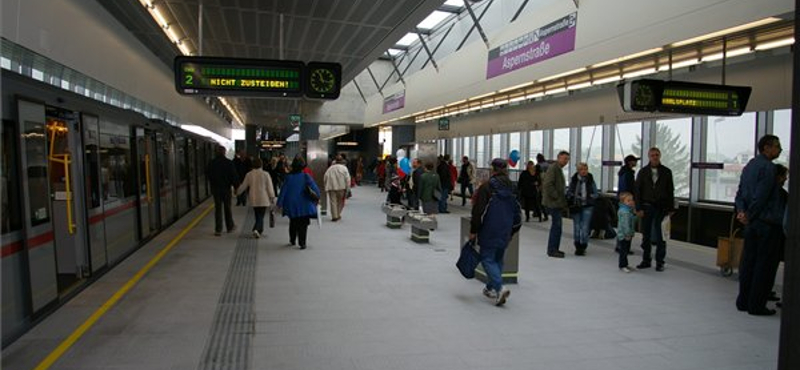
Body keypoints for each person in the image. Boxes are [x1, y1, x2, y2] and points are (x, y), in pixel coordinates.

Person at [734, 135, 783, 315]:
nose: (780, 150)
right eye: (777, 146)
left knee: (748, 262)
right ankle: (756, 305)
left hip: (751, 224)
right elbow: (761, 196)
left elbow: (740, 192)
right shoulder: (769, 168)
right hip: (766, 222)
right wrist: (750, 214)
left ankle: (743, 300)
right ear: (767, 148)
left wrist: (742, 212)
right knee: (765, 265)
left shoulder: (749, 166)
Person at [470, 158, 522, 306]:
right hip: (506, 229)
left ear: (492, 169)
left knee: (487, 258)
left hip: (489, 228)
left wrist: (474, 230)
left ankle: (499, 288)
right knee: (498, 258)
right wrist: (513, 230)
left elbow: (478, 211)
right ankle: (490, 287)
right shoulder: (513, 188)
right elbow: (518, 212)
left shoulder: (486, 187)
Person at [633, 147, 675, 271]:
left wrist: (671, 208)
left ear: (660, 155)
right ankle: (646, 259)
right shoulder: (643, 172)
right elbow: (637, 191)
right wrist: (638, 207)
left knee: (661, 235)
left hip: (661, 208)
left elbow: (670, 191)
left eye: (657, 154)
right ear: (649, 156)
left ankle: (660, 261)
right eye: (652, 155)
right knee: (646, 235)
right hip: (646, 207)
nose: (655, 157)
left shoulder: (667, 172)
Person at [276, 157, 320, 249]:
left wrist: (279, 203)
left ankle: (292, 239)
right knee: (303, 224)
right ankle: (302, 242)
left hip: (291, 204)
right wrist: (317, 197)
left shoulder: (289, 177)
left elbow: (283, 191)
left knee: (293, 222)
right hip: (304, 203)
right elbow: (315, 189)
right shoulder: (306, 176)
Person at [236, 158, 276, 239]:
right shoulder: (266, 174)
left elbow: (244, 185)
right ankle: (256, 229)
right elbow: (269, 187)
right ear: (261, 165)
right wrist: (272, 197)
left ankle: (259, 231)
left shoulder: (249, 174)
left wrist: (237, 192)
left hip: (253, 198)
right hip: (263, 198)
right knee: (261, 215)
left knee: (257, 214)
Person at [542, 151, 570, 258]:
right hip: (554, 203)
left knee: (557, 226)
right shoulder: (554, 169)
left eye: (567, 159)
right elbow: (548, 184)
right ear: (558, 158)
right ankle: (553, 249)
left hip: (555, 202)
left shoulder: (557, 169)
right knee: (556, 226)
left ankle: (554, 248)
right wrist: (557, 196)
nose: (566, 161)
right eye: (564, 158)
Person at [206, 146, 239, 236]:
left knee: (218, 208)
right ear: (224, 152)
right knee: (227, 208)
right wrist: (236, 187)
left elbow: (208, 175)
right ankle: (230, 227)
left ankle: (218, 229)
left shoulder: (211, 163)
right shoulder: (229, 163)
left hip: (216, 189)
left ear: (216, 152)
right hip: (226, 189)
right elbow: (233, 176)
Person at [567, 162, 598, 256]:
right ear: (578, 171)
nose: (584, 171)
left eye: (585, 169)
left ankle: (583, 245)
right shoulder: (574, 180)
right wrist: (574, 196)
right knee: (577, 226)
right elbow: (569, 192)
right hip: (576, 206)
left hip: (588, 206)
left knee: (585, 227)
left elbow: (596, 193)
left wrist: (590, 197)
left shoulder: (591, 180)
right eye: (581, 170)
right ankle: (577, 245)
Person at [323, 156, 351, 222]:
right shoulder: (344, 168)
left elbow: (325, 177)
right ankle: (338, 214)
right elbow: (348, 179)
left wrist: (326, 185)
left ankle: (334, 216)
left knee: (333, 202)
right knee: (340, 202)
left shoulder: (330, 168)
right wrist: (348, 188)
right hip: (342, 187)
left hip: (331, 187)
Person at [616, 192, 637, 272]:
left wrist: (634, 214)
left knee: (626, 250)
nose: (631, 202)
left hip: (627, 233)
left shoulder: (629, 210)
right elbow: (625, 225)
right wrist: (628, 234)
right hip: (624, 234)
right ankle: (622, 265)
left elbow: (632, 221)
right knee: (624, 250)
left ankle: (625, 264)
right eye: (628, 200)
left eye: (631, 200)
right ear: (623, 202)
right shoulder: (625, 212)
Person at [535, 154, 550, 221]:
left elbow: (536, 176)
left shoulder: (538, 166)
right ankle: (545, 214)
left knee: (538, 200)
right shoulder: (547, 165)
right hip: (547, 185)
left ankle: (539, 213)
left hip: (540, 186)